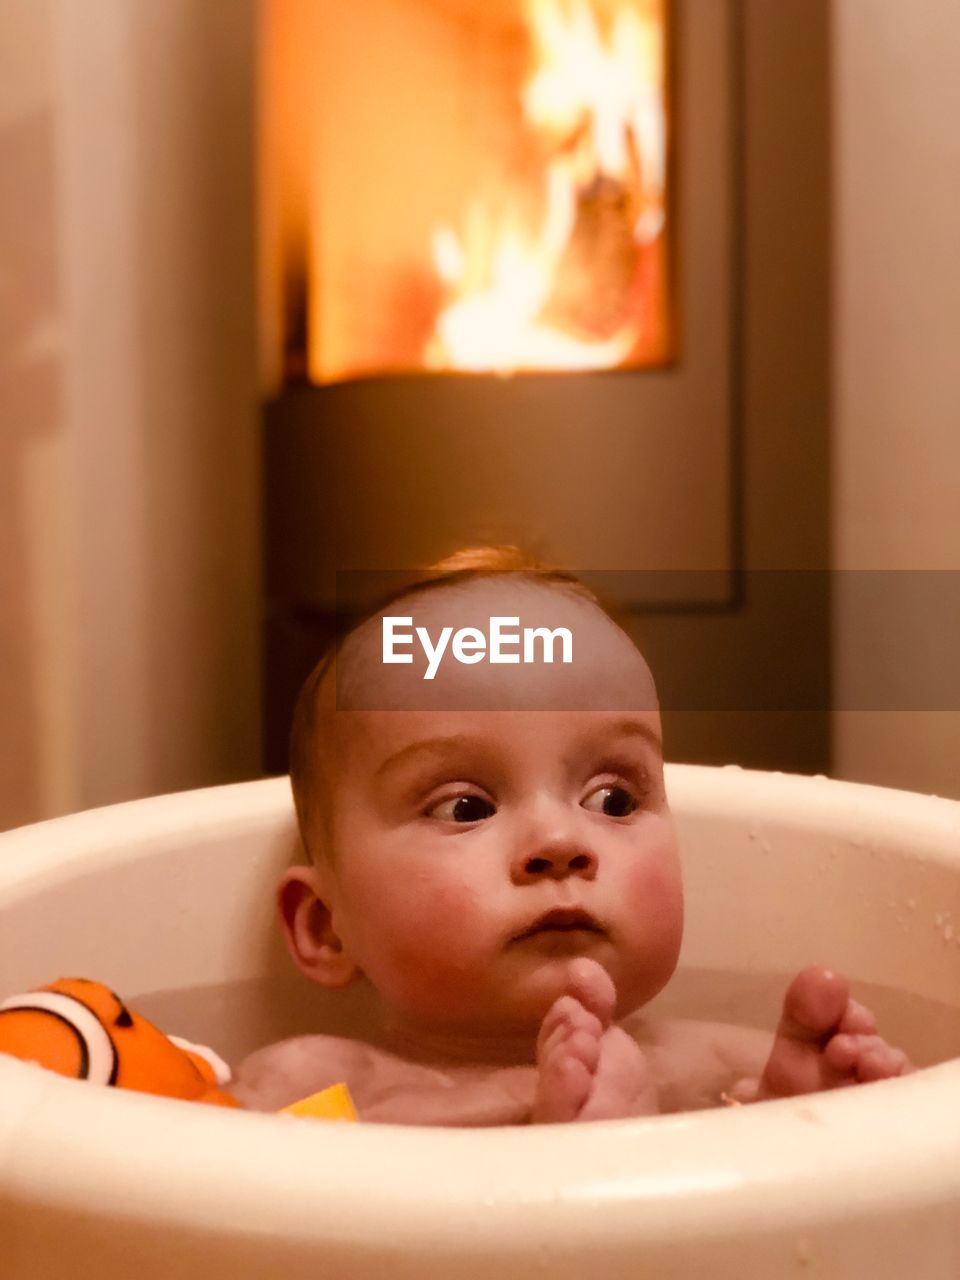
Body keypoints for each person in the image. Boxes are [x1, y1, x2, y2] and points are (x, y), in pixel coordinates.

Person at [233, 549, 912, 1123]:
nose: (560, 839)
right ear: (326, 928)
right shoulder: (316, 1083)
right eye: (465, 808)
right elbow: (212, 1188)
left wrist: (790, 1111)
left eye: (612, 799)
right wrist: (518, 1111)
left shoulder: (711, 1063)